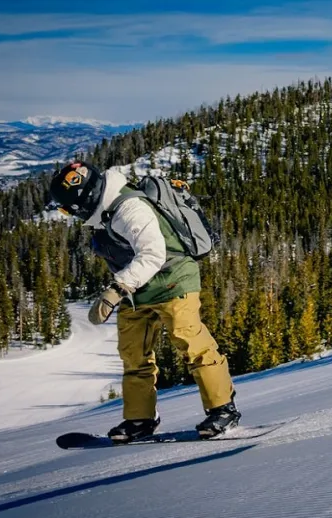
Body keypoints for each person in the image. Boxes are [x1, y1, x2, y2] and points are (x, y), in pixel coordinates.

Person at [49, 161, 240, 443]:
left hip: (173, 278)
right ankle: (140, 419)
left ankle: (223, 409)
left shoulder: (130, 209)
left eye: (67, 209)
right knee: (133, 352)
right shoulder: (107, 212)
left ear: (83, 200)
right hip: (139, 288)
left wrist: (116, 289)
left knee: (190, 341)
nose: (69, 215)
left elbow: (153, 254)